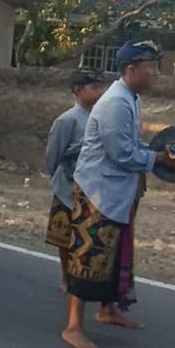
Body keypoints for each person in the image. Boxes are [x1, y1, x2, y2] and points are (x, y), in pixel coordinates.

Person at [63, 40, 175, 348]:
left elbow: (131, 144)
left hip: (115, 190)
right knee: (87, 256)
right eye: (153, 68)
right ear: (132, 69)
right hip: (98, 192)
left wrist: (158, 153)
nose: (157, 74)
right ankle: (73, 327)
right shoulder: (117, 103)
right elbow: (121, 153)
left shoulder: (130, 98)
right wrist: (158, 159)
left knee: (113, 253)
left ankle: (107, 310)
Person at [44, 69, 108, 289]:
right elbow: (53, 155)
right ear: (78, 91)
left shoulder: (102, 118)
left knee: (88, 234)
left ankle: (82, 275)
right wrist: (58, 179)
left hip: (93, 186)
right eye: (94, 88)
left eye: (102, 87)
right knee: (64, 235)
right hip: (67, 186)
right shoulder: (67, 120)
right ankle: (66, 276)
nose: (100, 92)